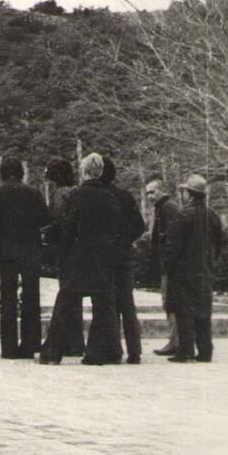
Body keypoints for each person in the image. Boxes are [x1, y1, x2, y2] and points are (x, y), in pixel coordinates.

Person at [38, 152, 121, 365]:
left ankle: (52, 352)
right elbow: (116, 230)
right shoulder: (110, 197)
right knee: (102, 306)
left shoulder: (77, 196)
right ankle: (95, 353)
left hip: (77, 258)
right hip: (101, 259)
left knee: (65, 304)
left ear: (84, 172)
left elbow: (67, 227)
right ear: (100, 172)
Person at [0, 156, 51, 358]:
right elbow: (46, 218)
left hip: (6, 251)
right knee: (31, 297)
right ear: (21, 172)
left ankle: (8, 347)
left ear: (2, 172)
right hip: (30, 249)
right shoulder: (33, 192)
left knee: (8, 298)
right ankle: (31, 344)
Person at [163, 174, 225, 363]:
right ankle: (205, 350)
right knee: (203, 310)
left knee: (183, 311)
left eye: (184, 192)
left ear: (189, 194)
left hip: (183, 271)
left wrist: (167, 265)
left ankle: (186, 350)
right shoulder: (212, 215)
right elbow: (220, 243)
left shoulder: (183, 215)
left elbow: (173, 246)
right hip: (205, 270)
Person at [100, 154, 146, 364]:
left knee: (108, 302)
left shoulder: (99, 195)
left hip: (105, 256)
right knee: (127, 302)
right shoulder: (125, 195)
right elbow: (140, 226)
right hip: (125, 255)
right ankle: (134, 350)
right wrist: (125, 239)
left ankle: (113, 349)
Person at [39, 157, 85, 358]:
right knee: (74, 296)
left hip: (65, 250)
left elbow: (57, 223)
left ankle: (60, 344)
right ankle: (75, 343)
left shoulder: (60, 195)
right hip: (78, 249)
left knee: (67, 293)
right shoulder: (76, 191)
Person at [145, 177, 182, 356]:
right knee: (169, 301)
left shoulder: (168, 208)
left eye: (152, 192)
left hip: (172, 266)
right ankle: (176, 340)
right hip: (169, 265)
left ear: (161, 190)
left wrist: (167, 261)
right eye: (147, 193)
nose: (150, 196)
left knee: (171, 302)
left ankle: (176, 342)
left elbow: (174, 238)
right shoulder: (163, 208)